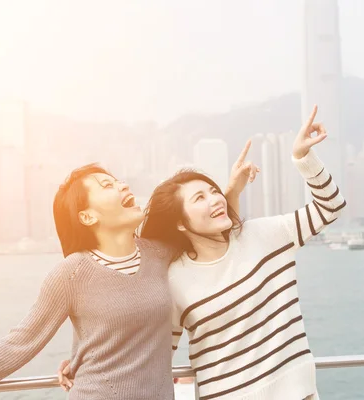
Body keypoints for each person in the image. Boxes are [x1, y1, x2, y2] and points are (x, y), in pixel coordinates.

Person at [0, 159, 257, 400]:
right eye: (107, 186)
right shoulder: (71, 273)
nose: (122, 186)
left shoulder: (161, 252)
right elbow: (20, 344)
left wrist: (232, 191)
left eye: (117, 180)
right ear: (87, 218)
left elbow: (213, 238)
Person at [140, 105, 347, 400]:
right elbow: (157, 357)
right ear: (179, 223)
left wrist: (303, 158)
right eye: (200, 197)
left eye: (214, 191)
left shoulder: (264, 235)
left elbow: (330, 207)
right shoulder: (174, 280)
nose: (215, 199)